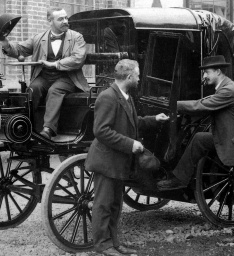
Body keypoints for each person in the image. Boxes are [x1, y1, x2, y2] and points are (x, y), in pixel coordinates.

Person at [157, 55, 234, 243]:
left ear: (218, 71)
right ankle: (178, 178)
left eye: (207, 72)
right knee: (201, 139)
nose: (205, 76)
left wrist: (172, 105)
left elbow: (202, 105)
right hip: (232, 139)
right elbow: (205, 101)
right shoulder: (223, 86)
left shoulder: (228, 90)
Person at [85, 59, 169, 256]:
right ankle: (103, 246)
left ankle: (114, 243)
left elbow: (132, 122)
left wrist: (154, 119)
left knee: (115, 206)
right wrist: (131, 144)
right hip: (106, 162)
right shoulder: (108, 97)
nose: (139, 79)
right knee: (103, 205)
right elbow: (101, 131)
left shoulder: (125, 96)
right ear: (129, 77)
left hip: (117, 163)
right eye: (138, 75)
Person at [0, 7, 88, 139]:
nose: (65, 21)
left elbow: (78, 59)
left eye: (66, 18)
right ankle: (25, 126)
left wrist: (56, 64)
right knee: (33, 89)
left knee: (55, 90)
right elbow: (20, 49)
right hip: (44, 77)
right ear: (50, 21)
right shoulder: (39, 38)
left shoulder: (77, 37)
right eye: (60, 19)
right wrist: (6, 43)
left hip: (67, 77)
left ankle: (48, 129)